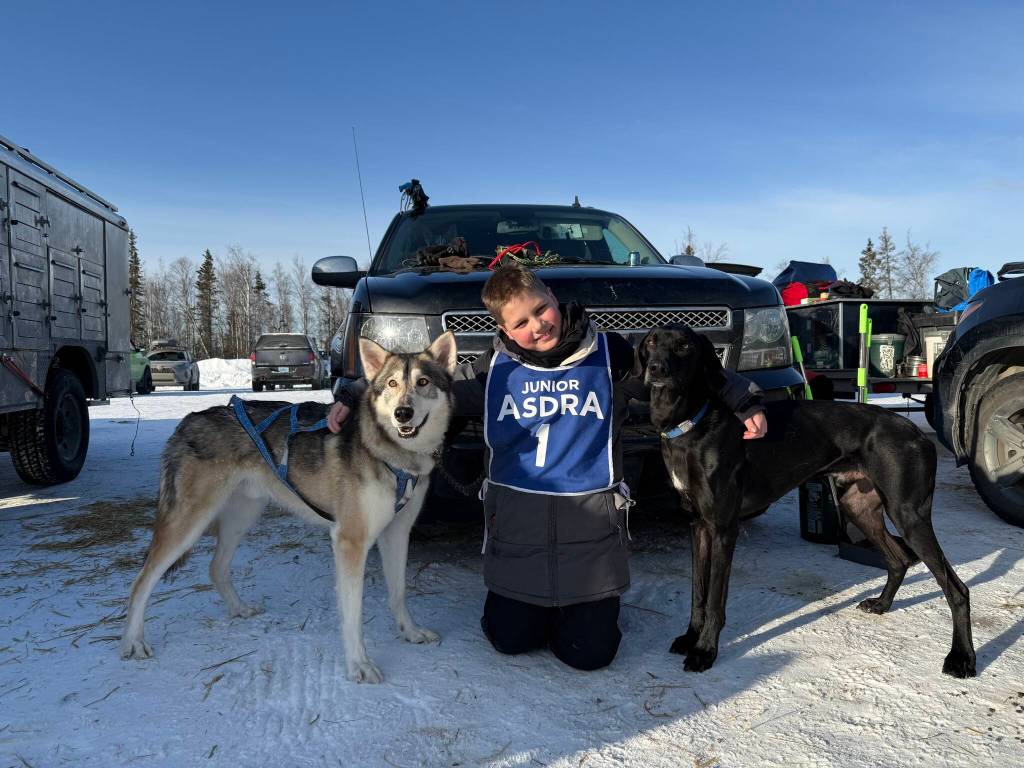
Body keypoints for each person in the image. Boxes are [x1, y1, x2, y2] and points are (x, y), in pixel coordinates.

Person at [327, 264, 767, 671]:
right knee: (510, 639)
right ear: (502, 329)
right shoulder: (490, 370)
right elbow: (414, 384)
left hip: (590, 538)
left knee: (589, 654)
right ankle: (531, 607)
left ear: (553, 297)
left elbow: (688, 369)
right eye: (520, 322)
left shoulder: (609, 354)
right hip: (520, 535)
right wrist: (351, 396)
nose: (537, 326)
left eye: (541, 310)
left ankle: (582, 609)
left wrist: (741, 398)